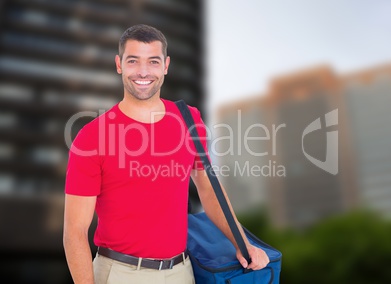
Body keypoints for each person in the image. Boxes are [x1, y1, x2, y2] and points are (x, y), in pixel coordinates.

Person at [63, 24, 269, 284]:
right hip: (120, 273)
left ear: (166, 65)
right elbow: (75, 231)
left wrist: (241, 242)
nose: (143, 71)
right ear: (119, 64)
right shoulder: (92, 137)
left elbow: (208, 189)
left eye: (153, 61)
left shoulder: (188, 119)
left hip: (181, 272)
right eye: (133, 61)